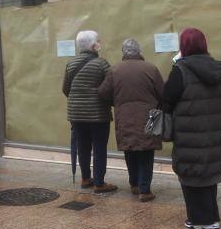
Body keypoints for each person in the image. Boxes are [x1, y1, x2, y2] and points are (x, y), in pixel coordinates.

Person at [163, 28, 221, 229]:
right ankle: (212, 217)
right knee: (208, 172)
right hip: (212, 129)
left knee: (190, 173)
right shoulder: (216, 69)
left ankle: (201, 221)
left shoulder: (180, 70)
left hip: (188, 130)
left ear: (184, 46)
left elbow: (166, 100)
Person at [104, 38, 164, 202]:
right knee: (146, 152)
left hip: (124, 116)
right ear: (139, 51)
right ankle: (145, 190)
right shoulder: (151, 68)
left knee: (129, 149)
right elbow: (162, 93)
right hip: (148, 117)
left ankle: (134, 184)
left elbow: (103, 93)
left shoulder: (114, 70)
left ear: (123, 52)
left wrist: (116, 102)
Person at [62, 30, 117, 194]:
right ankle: (99, 182)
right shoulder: (102, 64)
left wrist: (78, 101)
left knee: (82, 146)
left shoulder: (71, 64)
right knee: (99, 147)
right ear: (94, 45)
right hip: (98, 114)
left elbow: (66, 89)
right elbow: (110, 88)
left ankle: (86, 178)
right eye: (98, 41)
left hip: (76, 115)